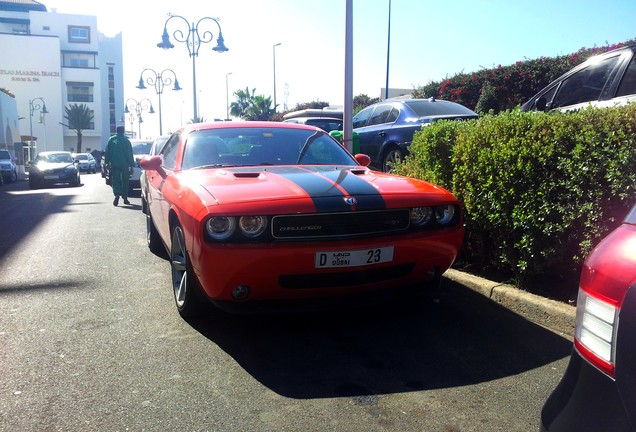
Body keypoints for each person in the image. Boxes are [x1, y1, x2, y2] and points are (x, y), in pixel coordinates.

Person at [104, 126, 134, 206]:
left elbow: (107, 152)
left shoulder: (111, 140)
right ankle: (125, 198)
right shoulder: (126, 141)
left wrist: (106, 162)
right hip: (124, 164)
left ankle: (117, 194)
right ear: (123, 131)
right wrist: (131, 166)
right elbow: (130, 154)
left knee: (116, 180)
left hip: (115, 163)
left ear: (116, 131)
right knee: (125, 180)